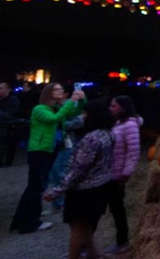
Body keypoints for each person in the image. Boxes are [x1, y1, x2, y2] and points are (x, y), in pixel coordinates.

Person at [10, 82, 86, 234]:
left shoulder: (57, 108)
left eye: (61, 89)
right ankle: (30, 223)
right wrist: (70, 101)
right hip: (39, 150)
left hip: (51, 149)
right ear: (48, 92)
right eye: (56, 89)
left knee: (36, 186)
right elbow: (54, 119)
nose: (60, 91)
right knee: (36, 187)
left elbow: (75, 111)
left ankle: (21, 220)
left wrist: (82, 99)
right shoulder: (39, 109)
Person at [44, 99, 115, 259]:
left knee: (78, 226)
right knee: (85, 226)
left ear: (92, 116)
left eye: (84, 113)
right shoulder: (109, 134)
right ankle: (93, 254)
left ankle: (74, 256)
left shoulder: (91, 139)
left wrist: (57, 191)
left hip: (85, 190)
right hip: (100, 186)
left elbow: (78, 170)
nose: (82, 116)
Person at [103, 95, 142, 255]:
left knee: (117, 208)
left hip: (118, 174)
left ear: (123, 108)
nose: (111, 109)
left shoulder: (130, 126)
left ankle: (122, 241)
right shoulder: (119, 123)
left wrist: (125, 174)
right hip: (111, 172)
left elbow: (133, 152)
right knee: (114, 207)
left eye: (114, 106)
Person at [43, 107, 85, 216]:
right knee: (55, 172)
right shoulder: (49, 107)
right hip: (54, 143)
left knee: (58, 171)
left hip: (65, 143)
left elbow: (79, 121)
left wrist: (58, 124)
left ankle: (61, 203)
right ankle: (62, 202)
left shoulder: (69, 106)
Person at [0, 80, 26, 167]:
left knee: (10, 146)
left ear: (8, 90)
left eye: (1, 88)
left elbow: (9, 115)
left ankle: (8, 162)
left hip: (11, 127)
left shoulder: (13, 101)